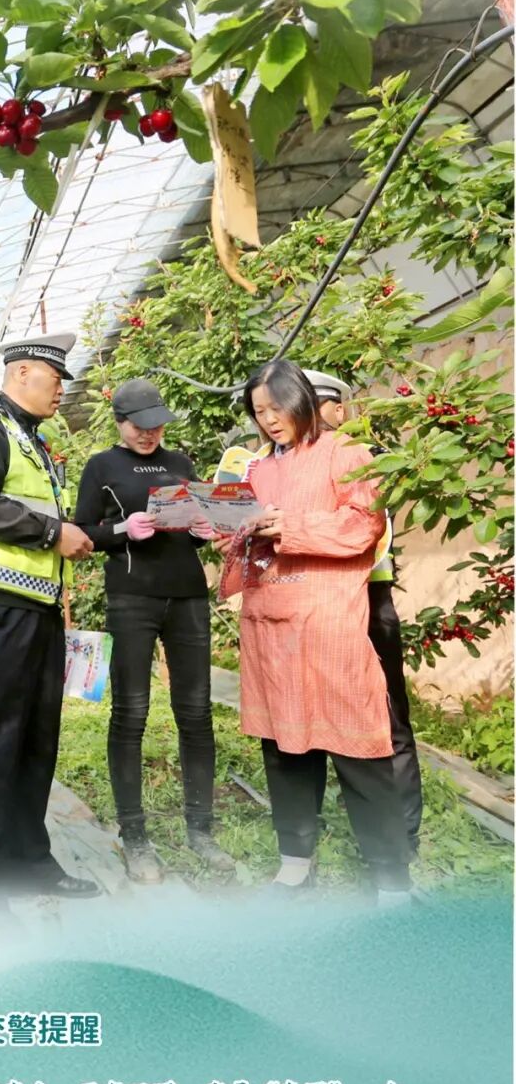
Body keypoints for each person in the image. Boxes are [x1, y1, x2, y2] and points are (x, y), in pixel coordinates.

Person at [213, 357, 412, 900]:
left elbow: (364, 524)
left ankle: (391, 879)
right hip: (270, 624)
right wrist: (225, 528)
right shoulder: (256, 469)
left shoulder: (346, 454)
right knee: (284, 746)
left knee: (359, 749)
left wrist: (290, 525)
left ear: (301, 400)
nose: (269, 420)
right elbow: (238, 540)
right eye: (259, 412)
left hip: (328, 624)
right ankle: (294, 866)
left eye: (276, 408)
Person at [0, 331, 98, 900]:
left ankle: (29, 860)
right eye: (55, 379)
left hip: (36, 610)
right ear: (21, 373)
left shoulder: (33, 442)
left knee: (35, 739)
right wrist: (54, 533)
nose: (61, 391)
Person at [74, 378, 233, 882]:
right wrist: (124, 529)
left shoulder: (180, 463)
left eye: (157, 426)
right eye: (140, 427)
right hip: (132, 598)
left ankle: (201, 830)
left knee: (196, 712)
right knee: (131, 713)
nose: (149, 434)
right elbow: (82, 532)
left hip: (187, 597)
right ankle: (135, 835)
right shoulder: (101, 466)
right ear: (119, 421)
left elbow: (197, 521)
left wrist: (203, 532)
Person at [304, 369, 423, 852]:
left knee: (387, 716)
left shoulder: (361, 459)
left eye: (316, 409)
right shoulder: (287, 465)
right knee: (309, 715)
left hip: (368, 602)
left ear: (340, 410)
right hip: (316, 606)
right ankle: (309, 829)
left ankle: (403, 834)